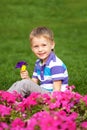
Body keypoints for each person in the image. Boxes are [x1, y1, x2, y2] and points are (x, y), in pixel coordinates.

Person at [7, 26, 68, 97]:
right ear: (32, 48)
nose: (40, 49)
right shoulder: (38, 63)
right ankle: (8, 99)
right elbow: (34, 84)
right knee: (18, 83)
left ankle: (6, 99)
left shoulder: (55, 64)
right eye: (36, 46)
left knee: (25, 84)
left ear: (52, 45)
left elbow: (57, 91)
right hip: (44, 93)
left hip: (53, 97)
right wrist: (27, 78)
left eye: (44, 45)